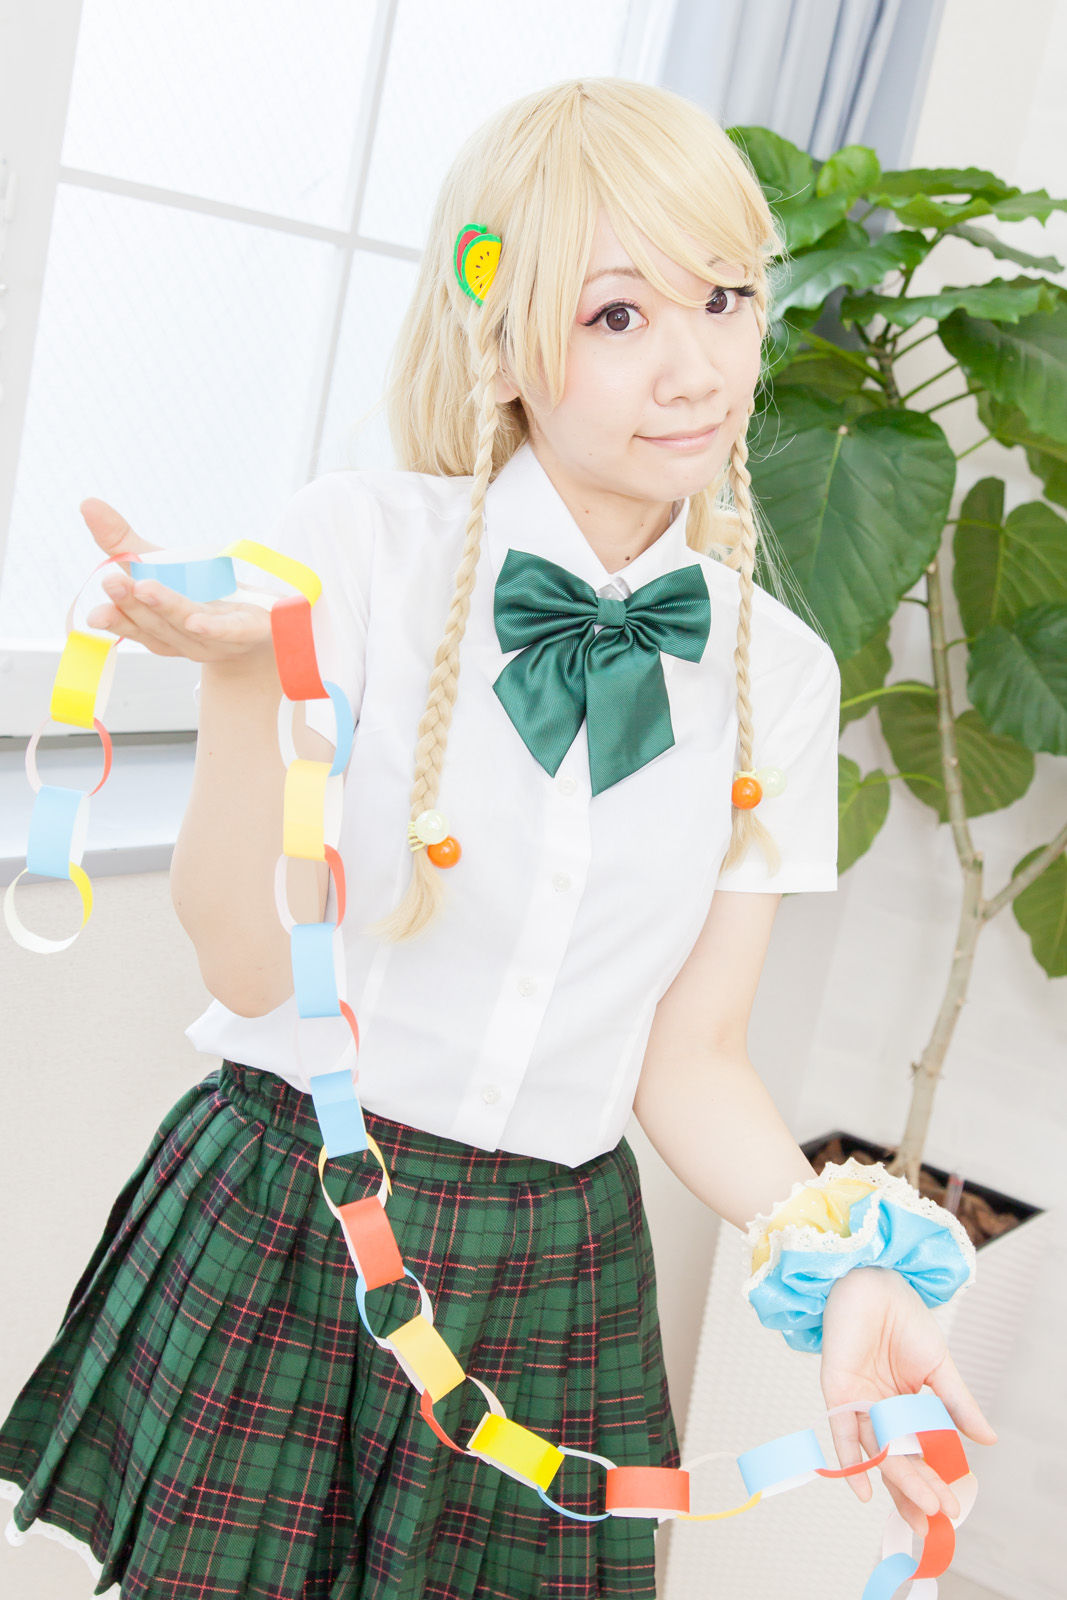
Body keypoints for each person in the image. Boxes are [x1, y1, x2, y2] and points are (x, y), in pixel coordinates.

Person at [0, 76, 993, 1600]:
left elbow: (692, 1059)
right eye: (618, 315)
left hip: (552, 1269)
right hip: (294, 1213)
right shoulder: (357, 549)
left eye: (725, 298)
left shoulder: (778, 676)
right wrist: (240, 678)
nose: (696, 367)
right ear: (503, 327)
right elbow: (249, 967)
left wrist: (843, 1265)